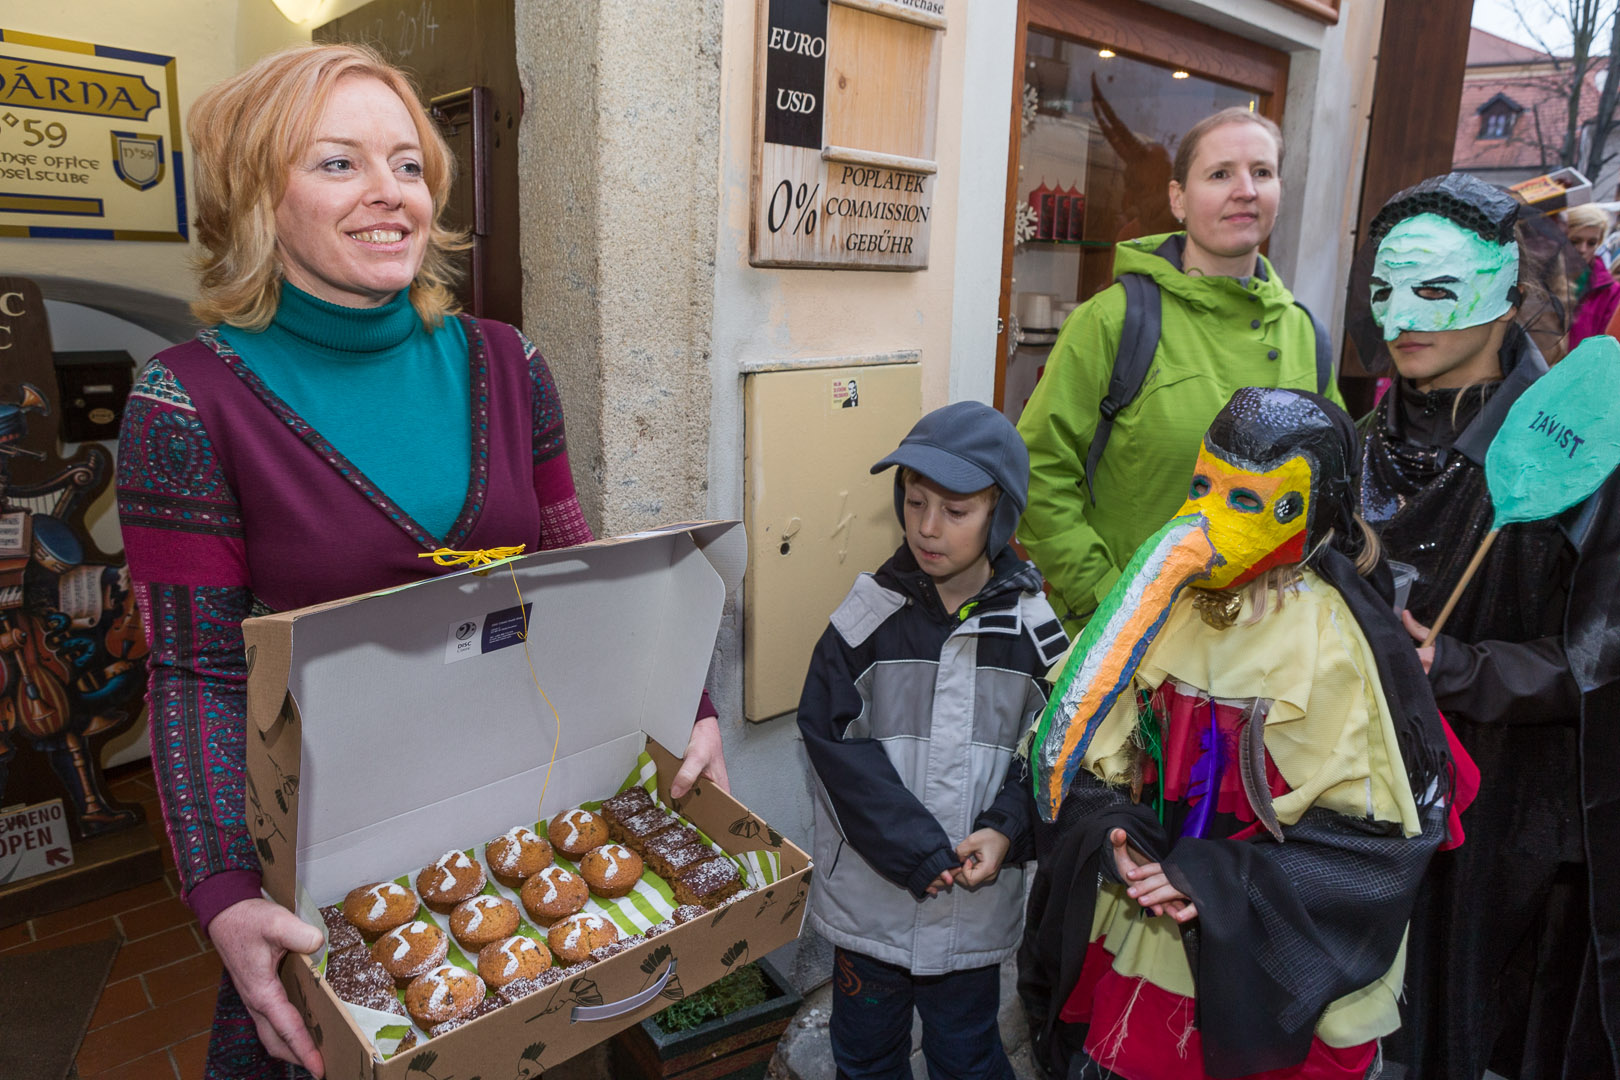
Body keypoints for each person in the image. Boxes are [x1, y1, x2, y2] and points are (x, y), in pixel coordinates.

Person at [115, 44, 728, 1080]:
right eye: (338, 163)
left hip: (526, 820)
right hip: (336, 859)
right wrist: (223, 893)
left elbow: (579, 579)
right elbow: (195, 674)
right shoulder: (184, 404)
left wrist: (688, 702)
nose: (389, 193)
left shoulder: (506, 362)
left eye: (407, 163)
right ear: (258, 194)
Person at [1018, 387, 1452, 1079]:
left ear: (1303, 509)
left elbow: (1366, 852)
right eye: (1202, 486)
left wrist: (1216, 884)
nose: (1206, 515)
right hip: (1144, 950)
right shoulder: (1166, 610)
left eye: (1245, 499)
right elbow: (1080, 765)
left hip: (1268, 968)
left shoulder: (1332, 644)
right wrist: (1112, 838)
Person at [1348, 172, 1620, 1079]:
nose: (1402, 316)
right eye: (1387, 287)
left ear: (1509, 291)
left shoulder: (1582, 460)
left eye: (1437, 286)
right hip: (1356, 810)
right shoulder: (1354, 441)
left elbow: (1601, 658)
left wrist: (1461, 667)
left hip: (1500, 825)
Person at [796, 401, 1069, 1080]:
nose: (927, 527)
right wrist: (913, 848)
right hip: (872, 904)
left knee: (966, 1053)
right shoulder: (865, 621)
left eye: (956, 511)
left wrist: (1008, 828)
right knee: (863, 1054)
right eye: (915, 502)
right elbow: (829, 743)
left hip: (970, 914)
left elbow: (1055, 751)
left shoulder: (1037, 633)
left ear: (1000, 513)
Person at [1017, 106, 1342, 637]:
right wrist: (1108, 602)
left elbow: (1329, 496)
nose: (1245, 190)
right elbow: (1037, 473)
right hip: (1131, 652)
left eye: (1261, 172)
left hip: (1263, 654)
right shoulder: (1115, 320)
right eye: (1220, 174)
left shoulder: (1309, 337)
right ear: (1177, 198)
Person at [1563, 202, 1620, 347]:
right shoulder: (1537, 278)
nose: (1583, 249)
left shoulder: (1611, 293)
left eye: (1592, 243)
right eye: (1575, 241)